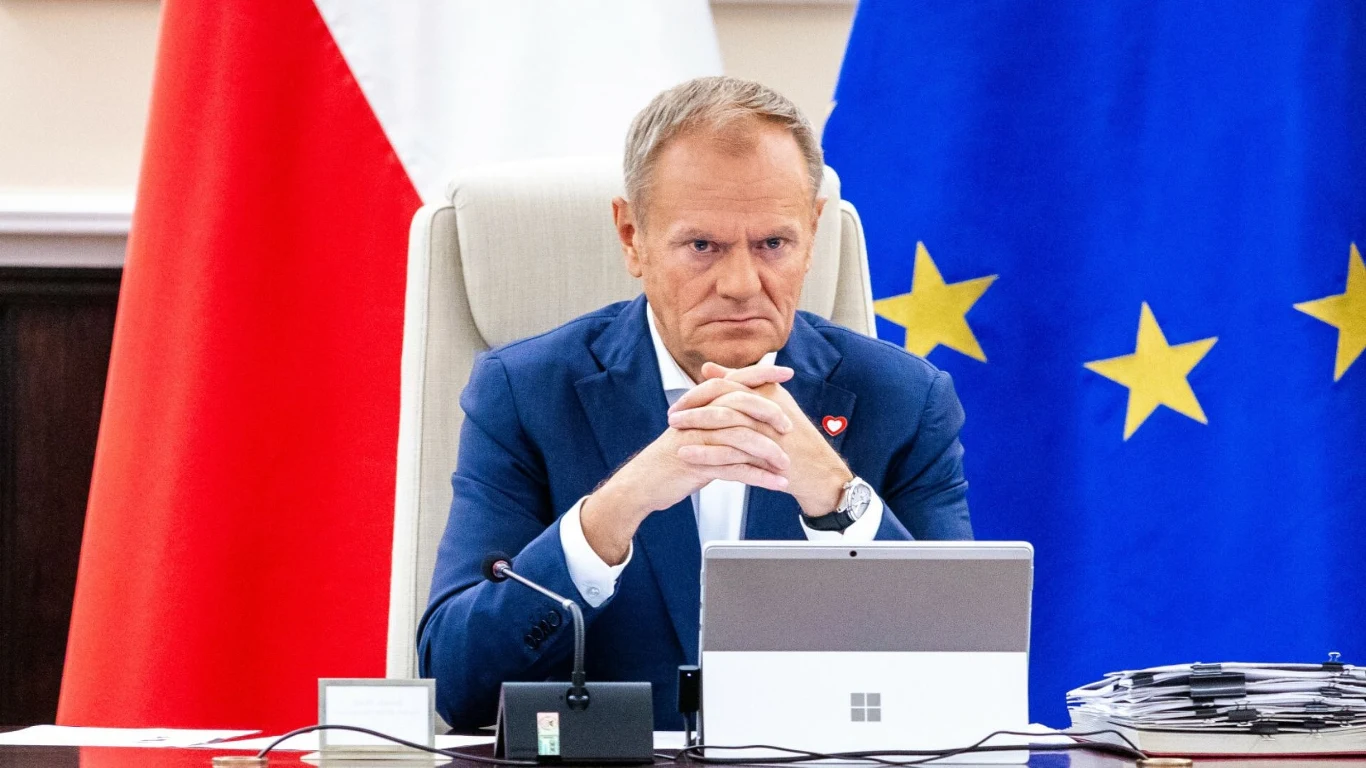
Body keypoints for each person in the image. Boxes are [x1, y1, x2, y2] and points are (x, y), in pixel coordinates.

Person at [418, 76, 974, 732]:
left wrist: (837, 498)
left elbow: (966, 683)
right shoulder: (526, 394)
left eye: (773, 244)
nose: (740, 284)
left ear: (813, 232)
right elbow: (457, 685)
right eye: (703, 246)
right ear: (632, 236)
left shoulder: (904, 400)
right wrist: (611, 514)